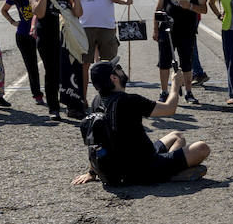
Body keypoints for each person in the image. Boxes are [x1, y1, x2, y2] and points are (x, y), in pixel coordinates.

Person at [72, 61, 210, 187]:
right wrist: (175, 84)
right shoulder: (129, 101)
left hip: (123, 166)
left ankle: (168, 169)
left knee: (177, 136)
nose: (122, 69)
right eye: (118, 68)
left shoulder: (97, 101)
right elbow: (170, 108)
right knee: (202, 148)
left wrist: (91, 172)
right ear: (113, 78)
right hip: (145, 166)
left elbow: (96, 142)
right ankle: (166, 174)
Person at [77, 0, 133, 96]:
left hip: (106, 25)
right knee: (84, 64)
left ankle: (109, 98)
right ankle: (83, 98)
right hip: (85, 25)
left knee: (109, 65)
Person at [30, 0, 81, 121]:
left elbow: (78, 13)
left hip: (67, 38)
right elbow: (39, 12)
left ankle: (73, 104)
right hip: (47, 37)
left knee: (70, 71)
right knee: (51, 72)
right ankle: (54, 107)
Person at [153, 0, 207, 104]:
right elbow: (158, 8)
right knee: (164, 62)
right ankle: (164, 92)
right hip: (166, 30)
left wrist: (189, 6)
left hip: (187, 31)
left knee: (186, 63)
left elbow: (204, 8)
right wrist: (155, 29)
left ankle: (189, 93)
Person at [0, 0, 44, 105]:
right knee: (32, 66)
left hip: (41, 33)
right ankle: (37, 95)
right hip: (24, 35)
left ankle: (57, 90)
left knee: (50, 63)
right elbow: (3, 10)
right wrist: (13, 22)